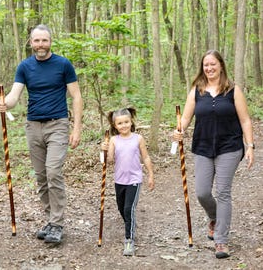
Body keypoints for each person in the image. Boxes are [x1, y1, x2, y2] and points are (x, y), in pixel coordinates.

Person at [0, 24, 83, 244]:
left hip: (58, 124)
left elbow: (76, 97)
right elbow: (15, 95)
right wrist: (5, 103)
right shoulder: (24, 67)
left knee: (53, 171)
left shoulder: (63, 64)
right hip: (33, 126)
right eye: (36, 41)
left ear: (50, 41)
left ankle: (57, 223)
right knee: (42, 177)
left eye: (44, 40)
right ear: (31, 43)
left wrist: (77, 128)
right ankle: (50, 220)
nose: (40, 45)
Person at [173, 49, 254, 259]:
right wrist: (178, 130)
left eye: (213, 64)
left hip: (230, 146)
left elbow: (245, 120)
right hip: (203, 146)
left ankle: (221, 241)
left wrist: (251, 146)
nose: (209, 68)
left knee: (223, 192)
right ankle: (214, 217)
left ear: (221, 66)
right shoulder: (196, 91)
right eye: (206, 65)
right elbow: (185, 120)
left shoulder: (233, 90)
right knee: (201, 192)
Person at [102, 107, 155, 256]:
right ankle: (130, 223)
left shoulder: (138, 138)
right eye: (120, 123)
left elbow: (145, 157)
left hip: (134, 179)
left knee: (128, 208)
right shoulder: (113, 140)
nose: (124, 125)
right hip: (119, 180)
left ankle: (129, 240)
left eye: (126, 122)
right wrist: (104, 151)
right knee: (121, 208)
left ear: (131, 122)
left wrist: (150, 174)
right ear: (115, 126)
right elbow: (110, 160)